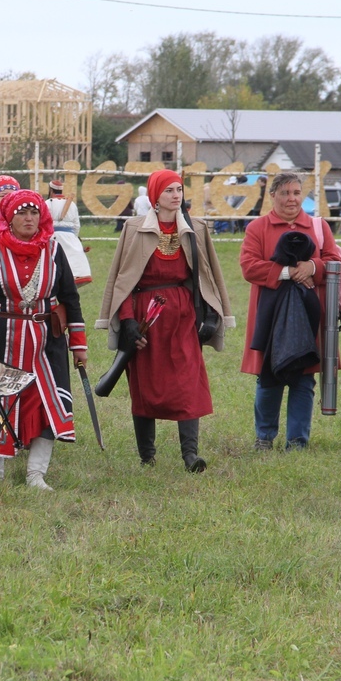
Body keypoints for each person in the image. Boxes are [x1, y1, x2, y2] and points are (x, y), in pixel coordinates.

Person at [95, 169, 234, 472]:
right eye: (169, 190)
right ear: (155, 196)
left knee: (188, 382)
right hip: (146, 318)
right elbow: (124, 280)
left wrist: (210, 316)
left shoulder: (196, 228)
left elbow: (208, 277)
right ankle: (147, 456)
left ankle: (190, 455)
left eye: (179, 189)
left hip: (183, 317)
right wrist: (129, 321)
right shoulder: (134, 229)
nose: (176, 195)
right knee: (146, 384)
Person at [0, 189, 87, 490]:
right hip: (0, 343)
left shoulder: (54, 249)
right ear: (8, 217)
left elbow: (70, 298)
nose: (28, 218)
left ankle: (36, 474)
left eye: (34, 212)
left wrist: (78, 345)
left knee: (48, 404)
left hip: (46, 344)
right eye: (21, 212)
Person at [239, 172, 338, 451]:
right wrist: (289, 271)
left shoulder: (319, 227)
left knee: (304, 377)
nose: (291, 199)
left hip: (308, 314)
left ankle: (297, 441)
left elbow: (332, 260)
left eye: (296, 193)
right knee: (269, 376)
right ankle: (264, 437)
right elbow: (249, 266)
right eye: (285, 193)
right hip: (270, 315)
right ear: (272, 196)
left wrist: (314, 267)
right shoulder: (257, 228)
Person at [44, 179, 92, 286]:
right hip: (70, 237)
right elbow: (76, 225)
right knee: (73, 262)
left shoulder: (47, 204)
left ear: (51, 190)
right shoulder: (72, 205)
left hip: (53, 237)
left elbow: (43, 223)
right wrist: (75, 238)